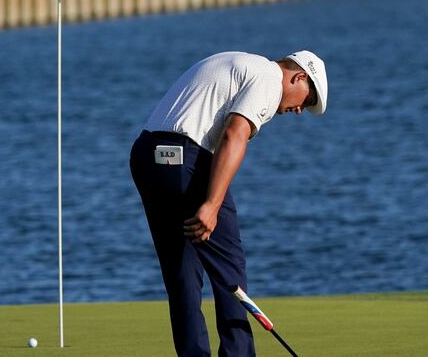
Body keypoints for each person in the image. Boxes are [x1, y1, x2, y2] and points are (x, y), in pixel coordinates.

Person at [130, 50, 328, 357]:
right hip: (186, 159)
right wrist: (211, 203)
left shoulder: (242, 62)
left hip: (147, 156)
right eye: (307, 99)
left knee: (182, 273)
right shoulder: (269, 77)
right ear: (299, 77)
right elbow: (234, 134)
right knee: (229, 269)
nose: (300, 110)